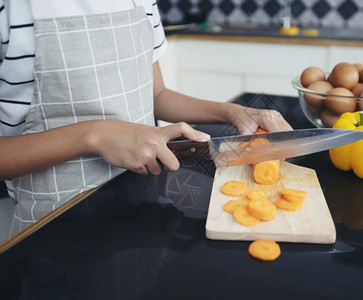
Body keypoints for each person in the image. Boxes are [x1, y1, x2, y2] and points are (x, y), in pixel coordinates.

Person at [0, 0, 292, 235]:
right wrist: (95, 136)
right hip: (54, 239)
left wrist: (231, 112)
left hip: (143, 212)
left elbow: (156, 95)